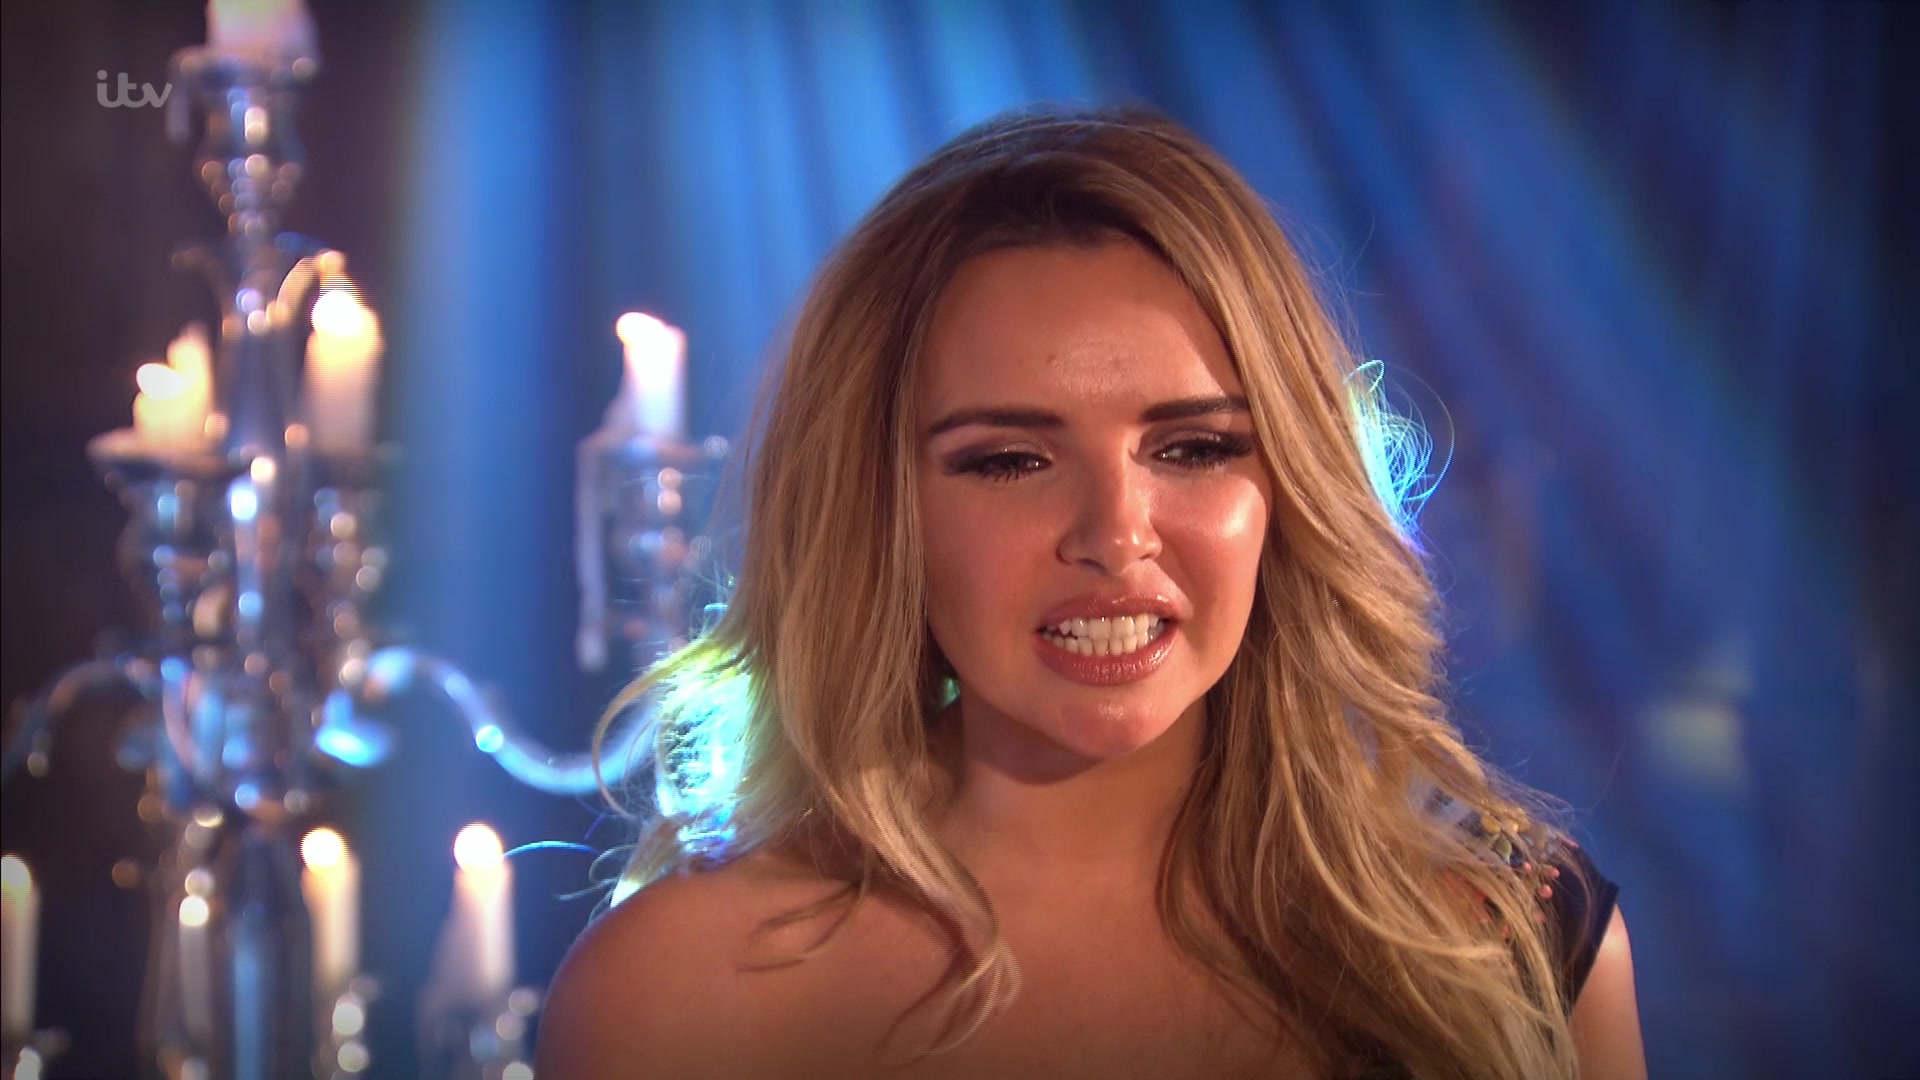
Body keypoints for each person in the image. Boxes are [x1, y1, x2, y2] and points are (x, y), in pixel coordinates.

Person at [536, 106, 1647, 1079]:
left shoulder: (1510, 940)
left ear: (1290, 487)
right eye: (1010, 460)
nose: (1116, 537)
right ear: (879, 513)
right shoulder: (677, 997)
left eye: (1195, 448)